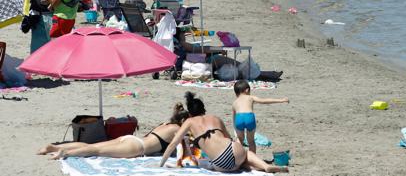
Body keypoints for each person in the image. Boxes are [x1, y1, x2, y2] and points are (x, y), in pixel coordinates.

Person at [159, 92, 287, 173]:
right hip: (235, 149)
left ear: (190, 113)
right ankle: (264, 166)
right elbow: (229, 137)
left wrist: (161, 164)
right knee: (244, 157)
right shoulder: (215, 118)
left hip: (222, 162)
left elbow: (173, 144)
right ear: (204, 109)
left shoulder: (190, 122)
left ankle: (253, 167)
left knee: (233, 165)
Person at [38, 103, 189, 159]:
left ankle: (54, 147)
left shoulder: (166, 123)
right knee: (94, 150)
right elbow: (183, 149)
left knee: (92, 146)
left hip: (129, 139)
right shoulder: (176, 129)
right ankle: (65, 153)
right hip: (136, 148)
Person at [232, 80, 289, 154]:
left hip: (239, 118)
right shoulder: (250, 97)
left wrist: (235, 128)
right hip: (249, 117)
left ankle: (237, 158)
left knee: (239, 139)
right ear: (247, 90)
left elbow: (234, 117)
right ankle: (252, 159)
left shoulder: (235, 102)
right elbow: (264, 101)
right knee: (251, 141)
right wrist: (281, 100)